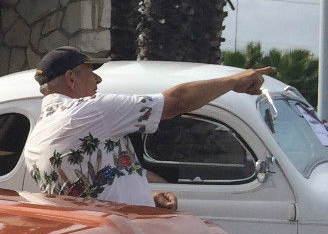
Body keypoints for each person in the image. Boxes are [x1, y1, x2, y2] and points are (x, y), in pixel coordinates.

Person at [22, 45, 273, 210]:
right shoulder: (92, 110)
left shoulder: (33, 143)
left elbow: (87, 195)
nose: (98, 79)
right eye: (91, 72)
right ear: (71, 79)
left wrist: (144, 199)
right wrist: (233, 81)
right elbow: (176, 101)